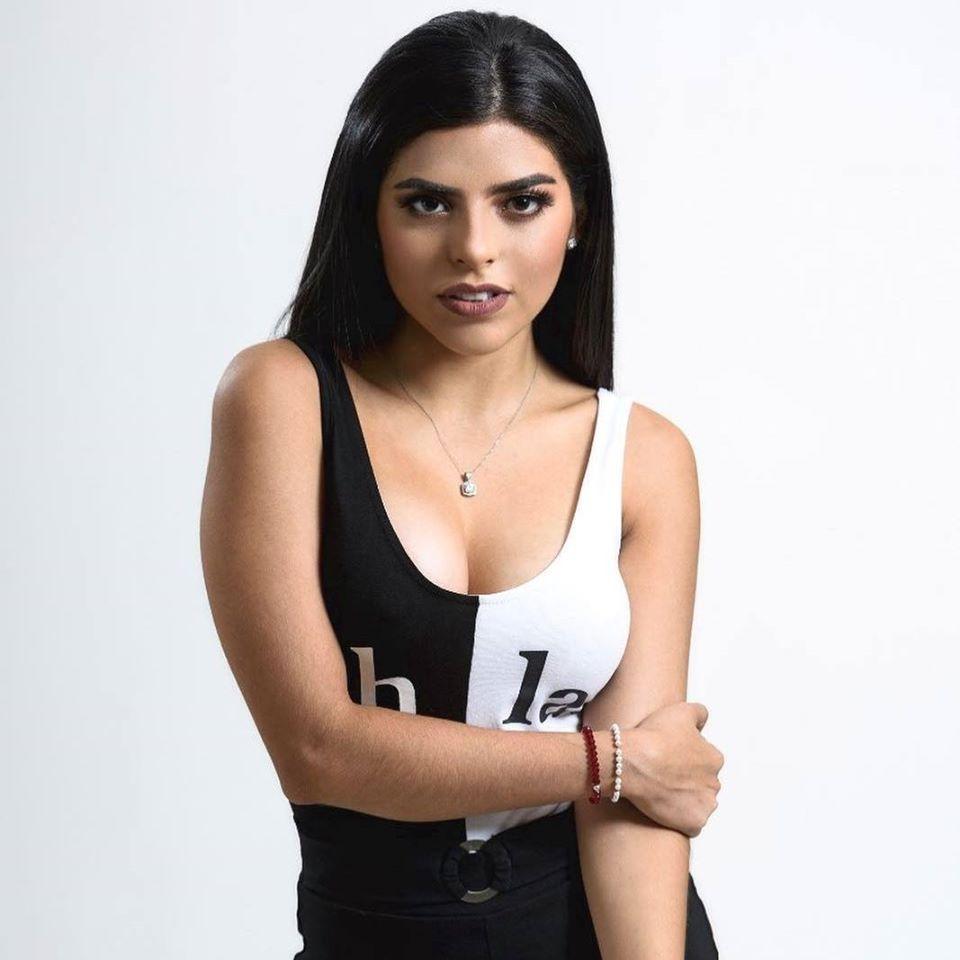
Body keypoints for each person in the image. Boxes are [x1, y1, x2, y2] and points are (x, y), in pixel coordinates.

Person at [200, 10, 724, 959]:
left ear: (580, 215)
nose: (475, 248)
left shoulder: (643, 455)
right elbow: (318, 750)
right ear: (370, 213)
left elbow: (637, 817)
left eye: (521, 202)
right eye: (428, 203)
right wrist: (609, 760)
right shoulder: (284, 399)